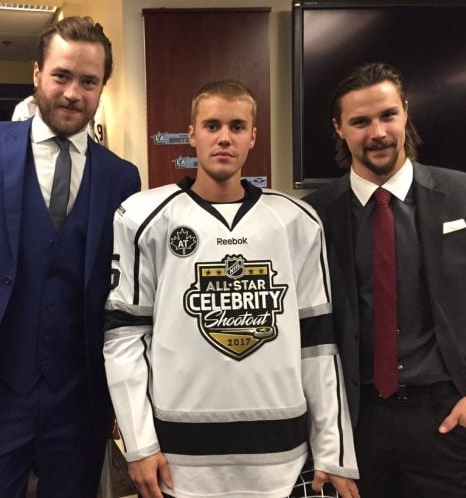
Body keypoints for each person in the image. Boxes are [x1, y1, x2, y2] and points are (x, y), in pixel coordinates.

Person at [103, 79, 359, 498]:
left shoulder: (296, 219)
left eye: (237, 126)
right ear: (192, 133)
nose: (224, 137)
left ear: (253, 136)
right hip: (180, 459)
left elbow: (318, 344)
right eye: (212, 125)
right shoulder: (142, 217)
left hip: (281, 456)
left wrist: (334, 453)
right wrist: (139, 444)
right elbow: (123, 339)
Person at [0, 16, 140, 497]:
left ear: (102, 87)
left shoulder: (122, 177)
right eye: (61, 75)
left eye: (88, 81)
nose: (72, 93)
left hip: (78, 398)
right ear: (37, 74)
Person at [305, 62, 466, 497]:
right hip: (355, 424)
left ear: (405, 113)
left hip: (448, 417)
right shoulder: (314, 215)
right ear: (339, 129)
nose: (377, 132)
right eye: (360, 122)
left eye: (387, 115)